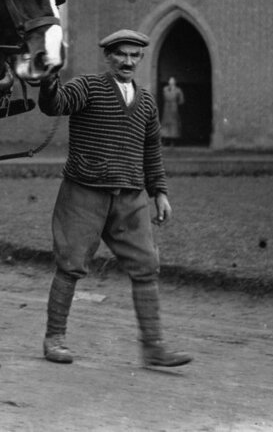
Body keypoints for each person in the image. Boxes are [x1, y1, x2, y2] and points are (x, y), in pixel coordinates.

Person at [36, 29, 192, 369]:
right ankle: (55, 338)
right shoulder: (87, 87)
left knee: (147, 266)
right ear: (108, 56)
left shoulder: (147, 101)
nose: (127, 61)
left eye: (134, 56)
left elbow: (152, 151)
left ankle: (153, 346)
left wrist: (160, 192)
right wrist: (49, 78)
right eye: (121, 54)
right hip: (83, 194)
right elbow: (54, 104)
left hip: (130, 197)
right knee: (70, 264)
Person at [161, 77, 184, 146]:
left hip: (174, 107)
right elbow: (163, 97)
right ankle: (164, 140)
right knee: (165, 123)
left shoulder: (178, 90)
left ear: (175, 82)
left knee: (174, 123)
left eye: (173, 81)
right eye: (170, 81)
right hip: (166, 107)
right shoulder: (165, 89)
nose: (171, 82)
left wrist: (176, 103)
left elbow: (181, 100)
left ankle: (172, 141)